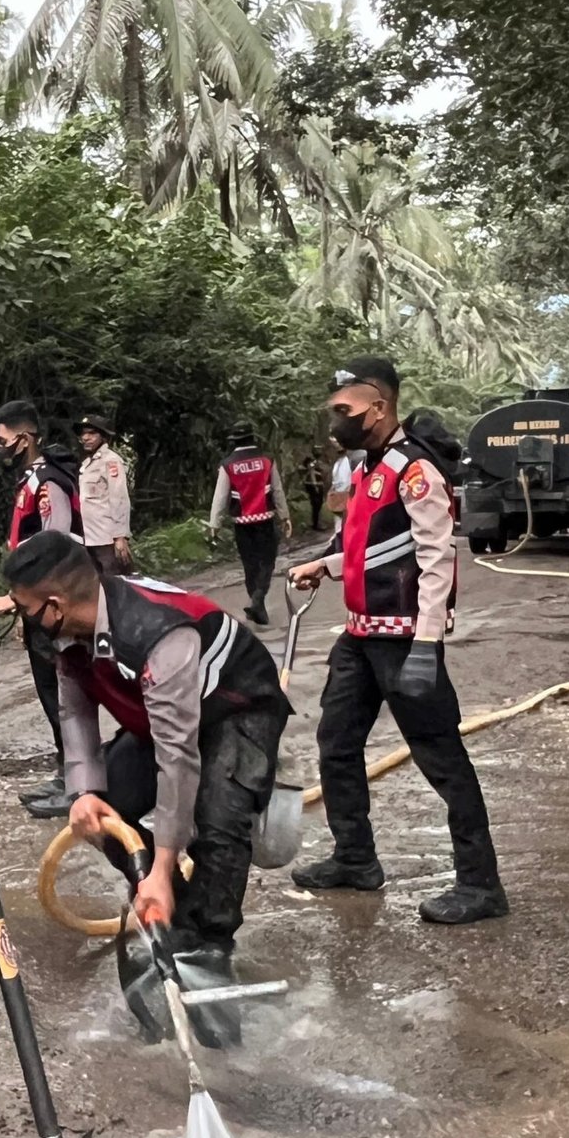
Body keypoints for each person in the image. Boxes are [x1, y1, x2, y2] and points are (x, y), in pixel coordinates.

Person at [4, 531, 291, 1048]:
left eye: (25, 609)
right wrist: (84, 791)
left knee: (220, 829)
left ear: (55, 605)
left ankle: (208, 950)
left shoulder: (157, 634)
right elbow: (75, 711)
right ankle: (172, 917)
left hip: (234, 707)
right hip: (161, 716)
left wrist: (162, 865)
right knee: (102, 811)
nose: (22, 619)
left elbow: (177, 757)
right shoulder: (64, 633)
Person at [288, 355, 508, 927]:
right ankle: (355, 857)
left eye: (345, 409)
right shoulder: (367, 468)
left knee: (442, 757)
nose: (336, 419)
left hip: (406, 639)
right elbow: (373, 546)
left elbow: (436, 560)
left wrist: (427, 645)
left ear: (378, 407)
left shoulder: (415, 470)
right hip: (360, 636)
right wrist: (325, 565)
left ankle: (481, 885)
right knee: (336, 744)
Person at [0, 400, 82, 819]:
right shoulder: (30, 480)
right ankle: (67, 774)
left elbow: (55, 545)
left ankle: (80, 784)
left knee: (65, 695)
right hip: (39, 606)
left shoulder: (48, 482)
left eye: (1, 440)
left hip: (57, 605)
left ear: (23, 439)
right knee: (50, 693)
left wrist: (19, 598)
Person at [209, 427, 292, 626]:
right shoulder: (267, 460)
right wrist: (285, 516)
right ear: (253, 438)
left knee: (250, 565)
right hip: (265, 521)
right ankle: (258, 599)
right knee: (267, 562)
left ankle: (256, 603)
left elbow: (220, 496)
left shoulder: (228, 464)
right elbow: (277, 491)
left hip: (242, 524)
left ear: (234, 441)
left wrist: (215, 523)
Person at [77, 413, 134, 576]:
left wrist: (120, 537)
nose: (86, 438)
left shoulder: (111, 461)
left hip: (107, 539)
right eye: (83, 434)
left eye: (92, 433)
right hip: (89, 538)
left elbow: (119, 499)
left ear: (103, 436)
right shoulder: (86, 464)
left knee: (115, 582)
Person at [301, 453, 328, 532]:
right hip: (315, 486)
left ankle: (316, 523)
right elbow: (312, 475)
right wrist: (315, 486)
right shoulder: (311, 467)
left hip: (316, 486)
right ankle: (317, 524)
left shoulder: (314, 467)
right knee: (317, 505)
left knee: (317, 506)